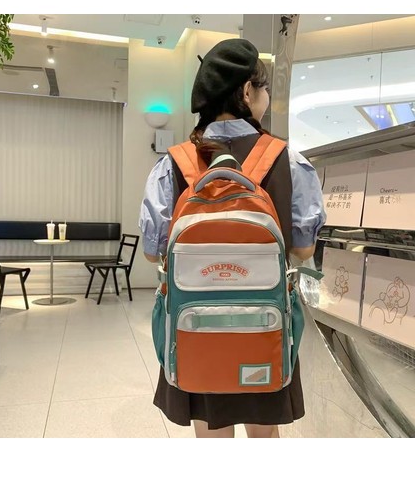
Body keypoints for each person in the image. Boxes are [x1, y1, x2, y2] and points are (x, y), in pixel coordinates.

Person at [139, 38, 326, 438]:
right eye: (264, 88)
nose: (266, 97)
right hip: (265, 329)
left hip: (194, 330)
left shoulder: (173, 164)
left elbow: (153, 254)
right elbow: (303, 249)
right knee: (264, 437)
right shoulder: (289, 160)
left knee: (211, 436)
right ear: (246, 91)